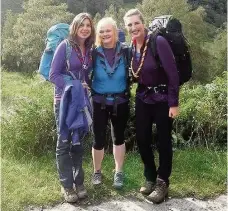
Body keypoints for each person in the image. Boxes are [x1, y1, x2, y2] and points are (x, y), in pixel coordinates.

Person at [124, 9, 179, 203]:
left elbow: (173, 74)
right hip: (143, 97)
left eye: (136, 23)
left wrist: (174, 103)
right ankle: (150, 176)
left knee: (164, 141)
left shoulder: (158, 42)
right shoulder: (132, 47)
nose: (133, 28)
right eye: (129, 25)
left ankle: (162, 182)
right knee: (142, 138)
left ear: (143, 23)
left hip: (163, 98)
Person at [49, 13, 95, 203]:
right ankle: (66, 186)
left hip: (81, 101)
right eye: (81, 25)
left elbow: (88, 74)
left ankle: (79, 182)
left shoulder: (90, 49)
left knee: (78, 142)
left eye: (88, 25)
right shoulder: (64, 47)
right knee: (64, 142)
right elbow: (53, 75)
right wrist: (73, 85)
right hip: (64, 101)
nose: (85, 28)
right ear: (74, 27)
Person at [91, 17, 130, 189]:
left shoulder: (126, 51)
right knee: (98, 139)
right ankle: (97, 171)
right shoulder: (93, 52)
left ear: (115, 31)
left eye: (108, 30)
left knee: (119, 138)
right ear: (98, 34)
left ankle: (119, 172)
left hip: (120, 101)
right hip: (98, 101)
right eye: (101, 31)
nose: (105, 34)